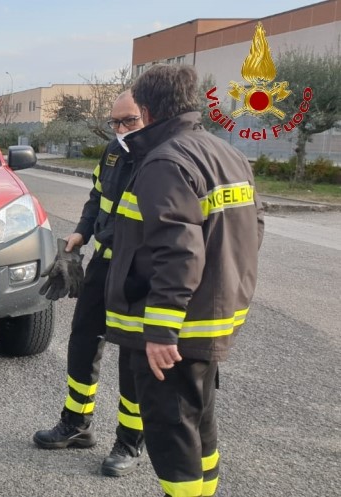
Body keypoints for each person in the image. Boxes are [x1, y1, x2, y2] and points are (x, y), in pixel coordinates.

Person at [104, 65, 263, 496]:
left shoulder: (164, 161)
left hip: (175, 331)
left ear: (148, 109)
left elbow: (178, 251)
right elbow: (255, 228)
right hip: (211, 316)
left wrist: (160, 329)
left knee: (172, 433)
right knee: (199, 424)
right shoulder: (225, 152)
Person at [33, 91, 147, 477]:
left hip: (140, 270)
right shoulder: (113, 152)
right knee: (83, 339)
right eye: (114, 123)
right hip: (105, 261)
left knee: (133, 356)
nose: (119, 130)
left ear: (148, 115)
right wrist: (82, 232)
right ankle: (76, 424)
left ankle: (130, 442)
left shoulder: (162, 156)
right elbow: (97, 196)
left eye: (128, 121)